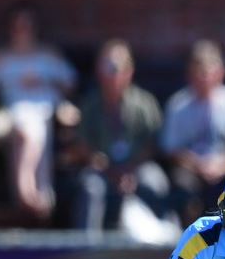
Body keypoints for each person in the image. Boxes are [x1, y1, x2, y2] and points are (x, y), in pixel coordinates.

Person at [0, 1, 77, 220]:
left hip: (44, 111)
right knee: (25, 130)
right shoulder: (0, 57)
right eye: (17, 26)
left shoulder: (49, 54)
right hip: (12, 114)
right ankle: (32, 192)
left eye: (27, 26)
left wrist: (42, 82)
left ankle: (30, 199)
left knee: (31, 131)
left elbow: (70, 84)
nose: (22, 31)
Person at [70, 39, 176, 242]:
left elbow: (152, 144)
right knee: (90, 186)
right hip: (103, 170)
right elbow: (84, 147)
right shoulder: (90, 104)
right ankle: (86, 249)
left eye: (115, 69)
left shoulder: (145, 103)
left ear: (129, 72)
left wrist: (131, 169)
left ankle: (167, 246)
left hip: (136, 167)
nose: (110, 75)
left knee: (155, 181)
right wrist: (108, 170)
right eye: (105, 68)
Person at [160, 40, 225, 223]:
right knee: (182, 185)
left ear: (221, 72)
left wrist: (224, 165)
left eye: (208, 73)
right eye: (199, 73)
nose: (204, 79)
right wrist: (200, 166)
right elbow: (170, 150)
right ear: (190, 74)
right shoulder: (177, 105)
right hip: (191, 169)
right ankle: (188, 235)